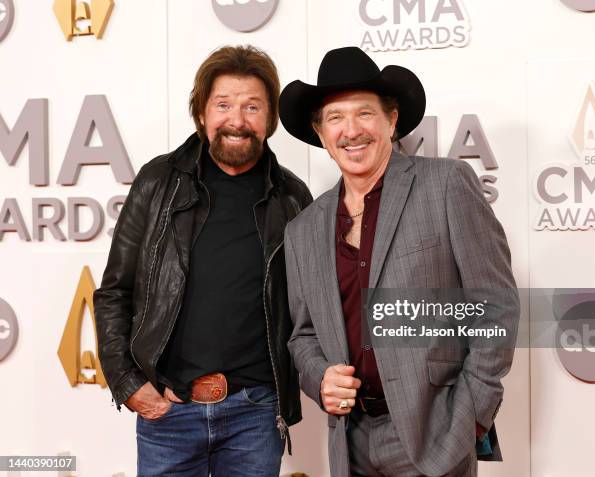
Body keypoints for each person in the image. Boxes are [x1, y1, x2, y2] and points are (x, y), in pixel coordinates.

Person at [280, 46, 519, 476]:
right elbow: (303, 334)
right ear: (319, 132)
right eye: (335, 118)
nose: (351, 130)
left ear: (391, 120)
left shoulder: (445, 185)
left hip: (435, 435)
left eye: (364, 114)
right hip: (349, 443)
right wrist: (320, 379)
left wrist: (471, 416)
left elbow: (495, 302)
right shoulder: (303, 229)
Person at [93, 44, 312, 476]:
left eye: (252, 106)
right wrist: (127, 382)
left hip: (255, 413)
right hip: (169, 413)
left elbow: (310, 309)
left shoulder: (292, 197)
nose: (237, 120)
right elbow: (114, 292)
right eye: (223, 104)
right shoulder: (158, 182)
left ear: (270, 119)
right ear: (201, 113)